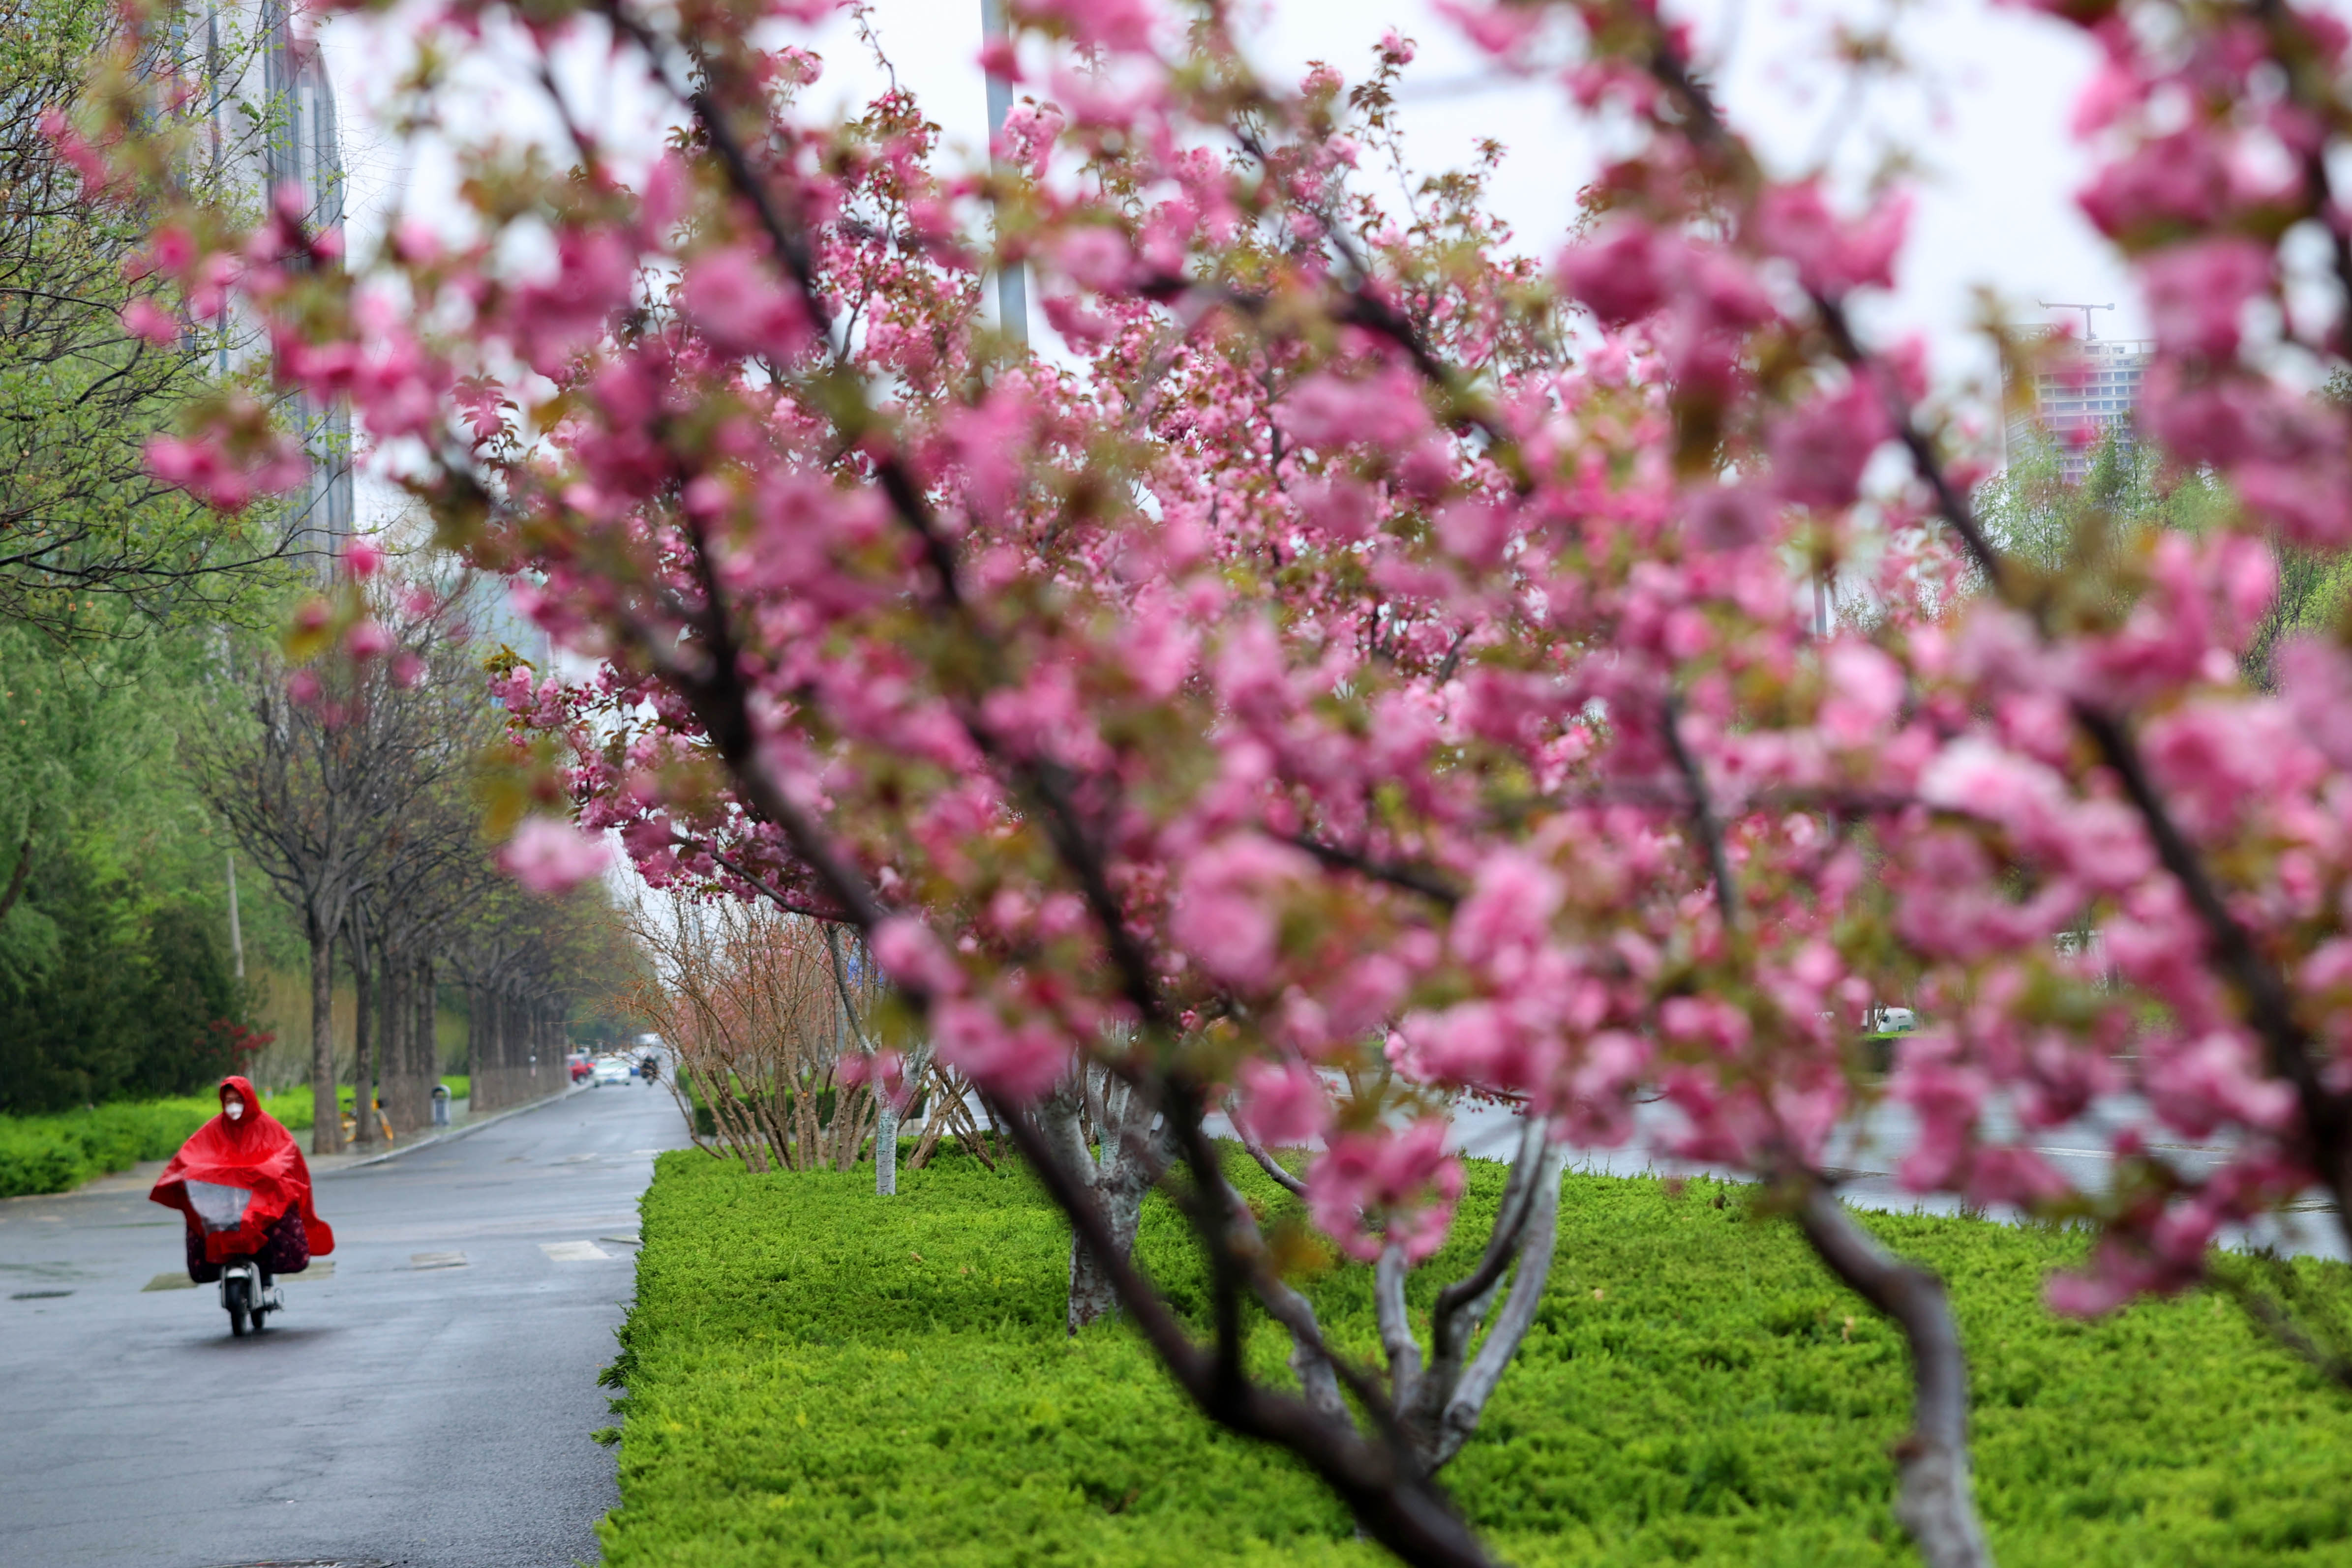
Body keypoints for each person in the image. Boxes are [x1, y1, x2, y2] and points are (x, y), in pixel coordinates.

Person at [151, 1076, 335, 1285]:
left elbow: (287, 1153)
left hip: (262, 1200)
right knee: (203, 1219)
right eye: (228, 1101)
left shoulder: (268, 1127)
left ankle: (268, 1269)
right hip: (226, 1200)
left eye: (238, 1099)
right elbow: (192, 1154)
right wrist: (193, 1172)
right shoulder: (213, 1129)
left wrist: (268, 1171)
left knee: (280, 1219)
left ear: (249, 1099)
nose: (233, 1105)